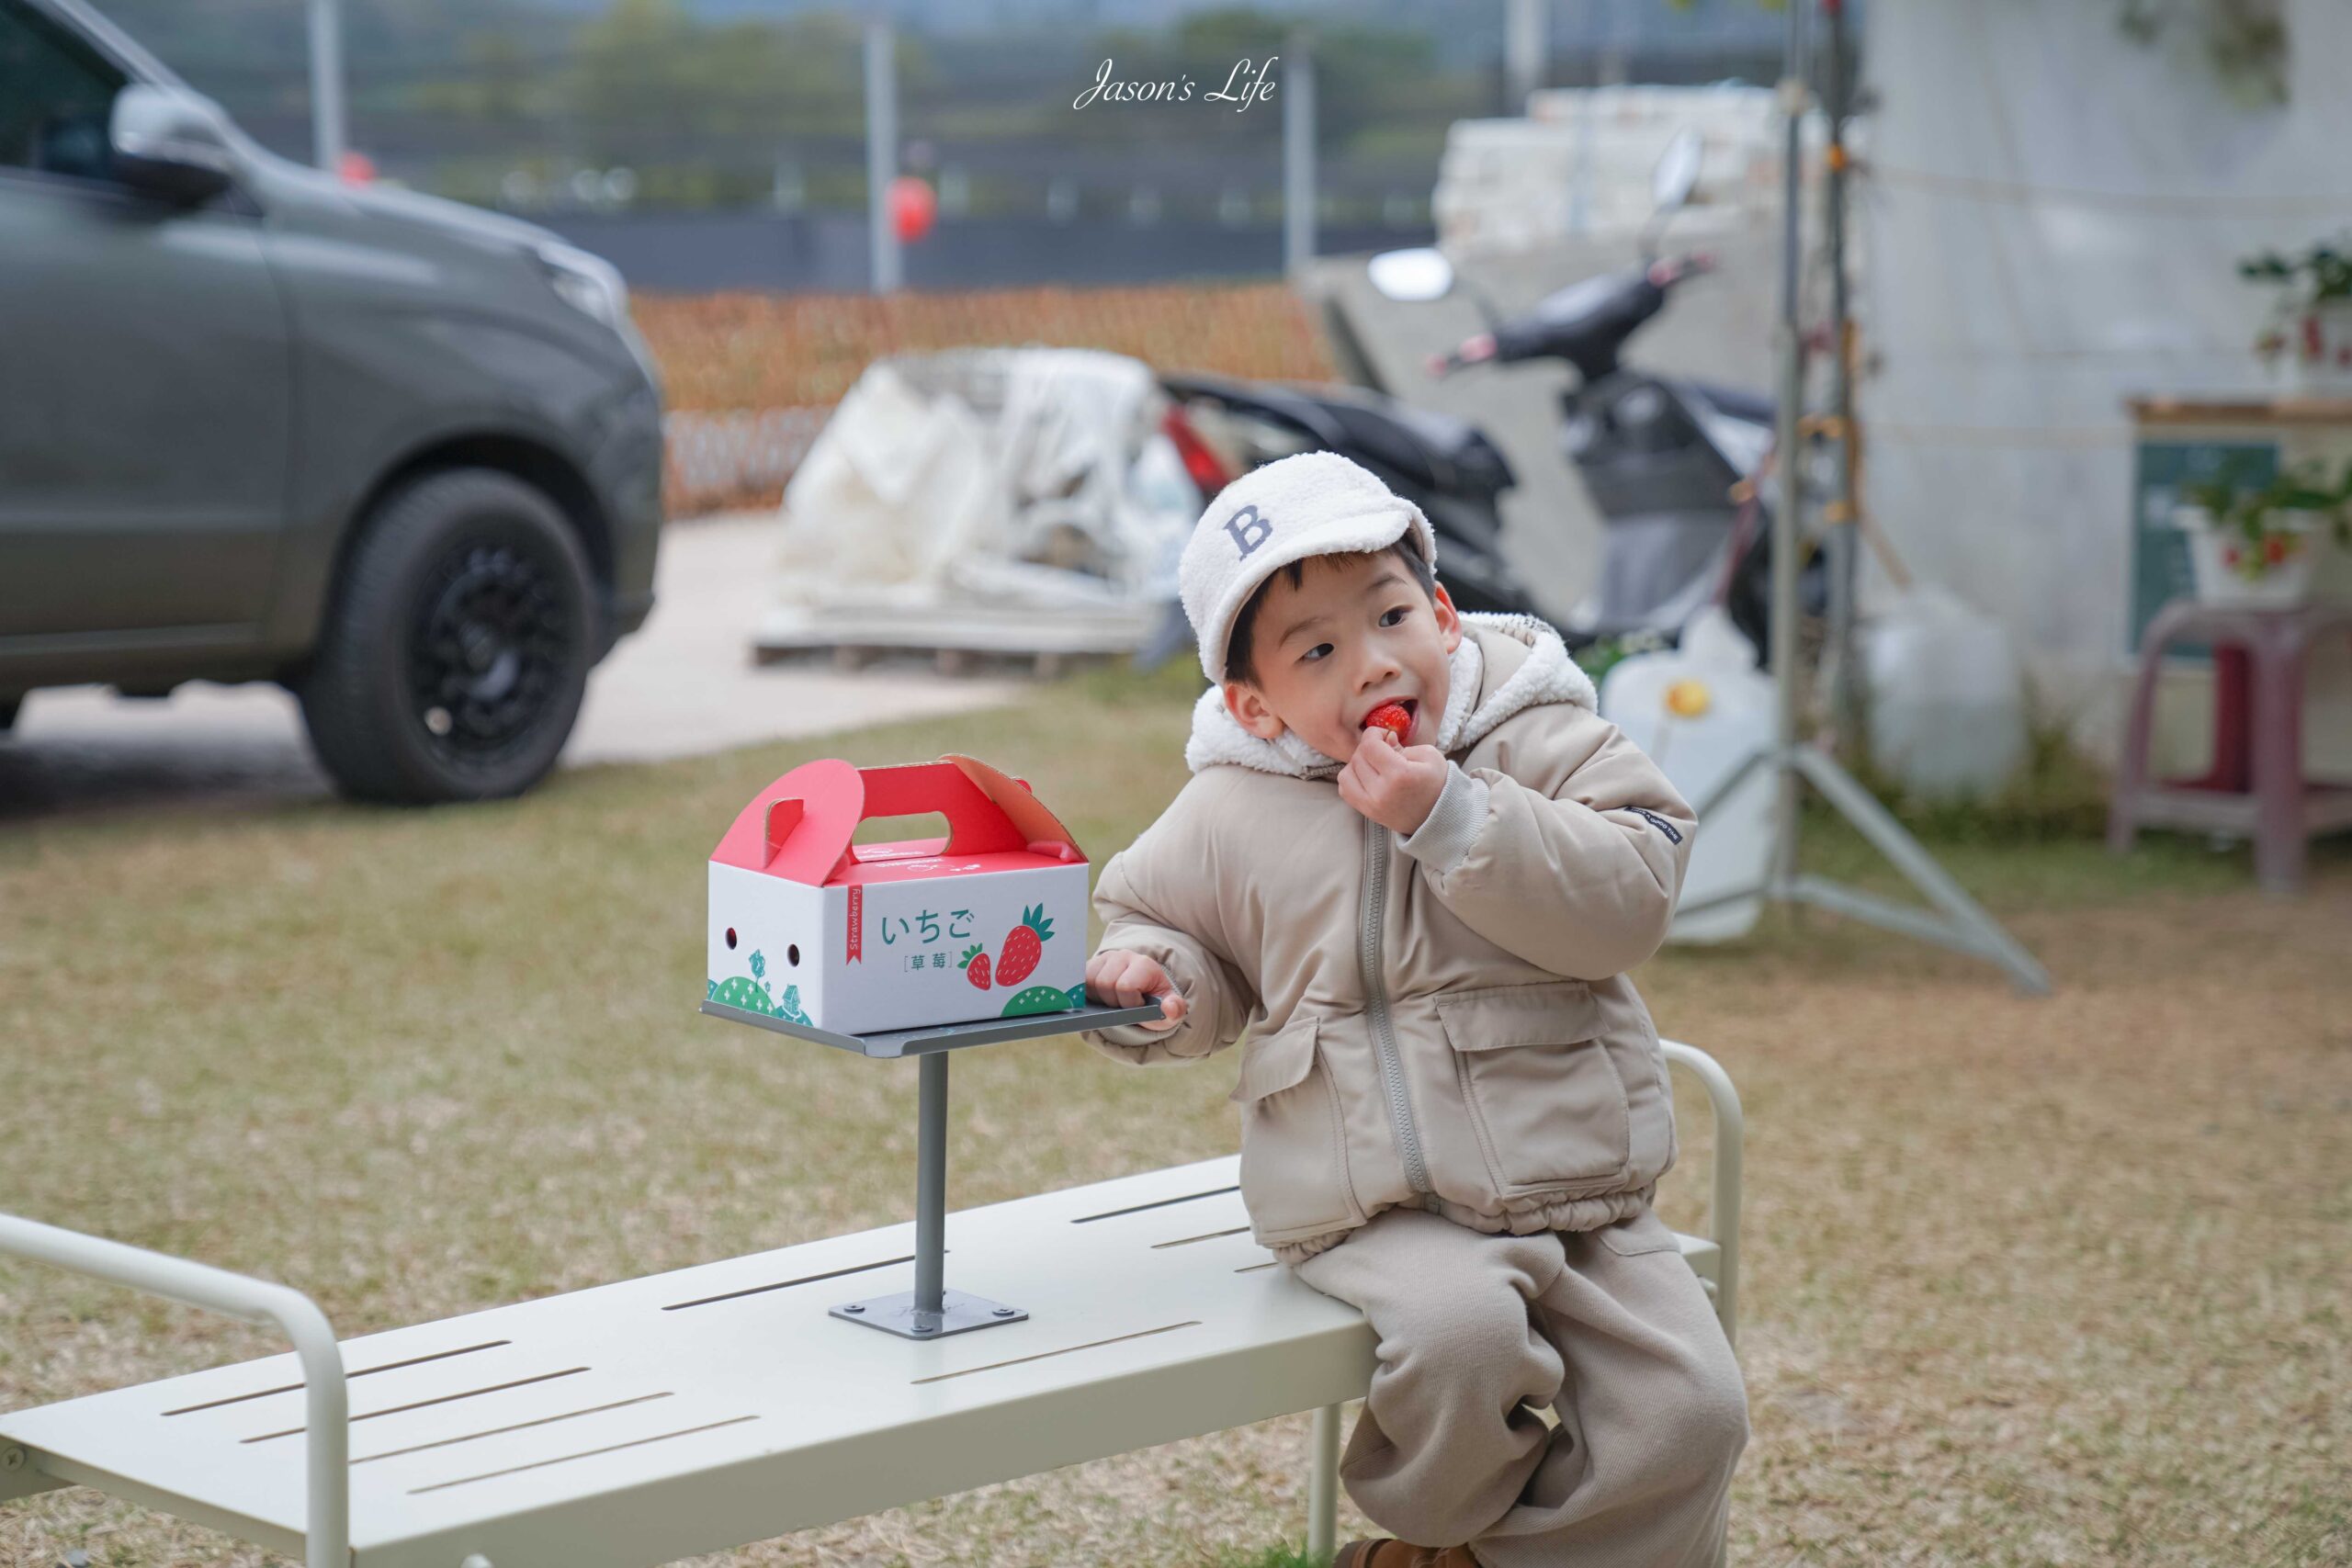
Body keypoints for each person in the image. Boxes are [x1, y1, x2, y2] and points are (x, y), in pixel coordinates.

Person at [1079, 451, 1747, 1568]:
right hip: (1371, 1199)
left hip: (1576, 1178)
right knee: (1460, 1342)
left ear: (1442, 613)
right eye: (1320, 651)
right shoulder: (1229, 808)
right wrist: (1153, 983)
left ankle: (1469, 1566)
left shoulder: (1539, 738)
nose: (1375, 662)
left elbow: (1632, 896)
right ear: (1254, 703)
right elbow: (1159, 926)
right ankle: (1435, 1542)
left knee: (1693, 1413)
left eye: (1392, 615)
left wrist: (1454, 818)